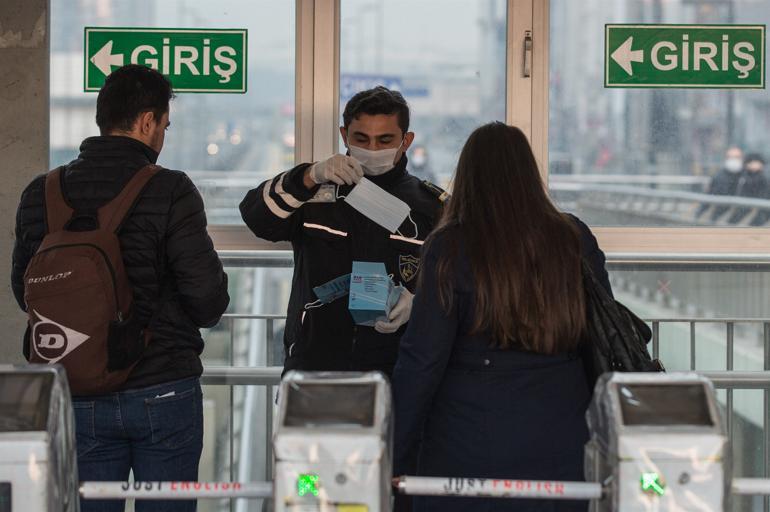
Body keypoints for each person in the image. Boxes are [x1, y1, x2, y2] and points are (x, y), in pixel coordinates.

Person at [11, 64, 229, 512]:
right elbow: (207, 300)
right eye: (165, 125)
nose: (163, 136)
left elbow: (25, 291)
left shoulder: (41, 192)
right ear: (148, 121)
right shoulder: (171, 189)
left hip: (76, 388)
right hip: (163, 388)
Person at [391, 122, 611, 512]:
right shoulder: (572, 236)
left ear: (469, 176)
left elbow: (423, 358)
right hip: (559, 424)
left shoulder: (451, 245)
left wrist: (395, 448)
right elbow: (600, 332)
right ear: (529, 173)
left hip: (467, 432)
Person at [240, 86, 443, 376]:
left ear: (406, 141)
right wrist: (308, 175)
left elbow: (455, 287)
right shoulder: (315, 193)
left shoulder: (428, 207)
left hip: (398, 370)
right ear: (344, 135)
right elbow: (257, 217)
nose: (372, 150)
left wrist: (420, 303)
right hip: (314, 363)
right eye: (361, 139)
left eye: (385, 140)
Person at [698, 145, 744, 221]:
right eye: (730, 157)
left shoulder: (747, 176)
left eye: (736, 157)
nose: (733, 160)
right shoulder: (718, 177)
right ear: (726, 159)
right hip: (719, 216)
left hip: (741, 217)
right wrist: (698, 214)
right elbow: (708, 197)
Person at [731, 154, 769, 225]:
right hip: (741, 210)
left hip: (758, 212)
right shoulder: (741, 176)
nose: (754, 165)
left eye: (756, 162)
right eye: (751, 162)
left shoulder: (764, 178)